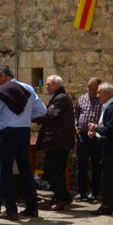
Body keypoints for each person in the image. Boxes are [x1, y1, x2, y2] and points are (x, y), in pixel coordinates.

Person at [0, 65, 46, 221]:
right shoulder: (28, 88)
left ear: (4, 76)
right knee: (25, 170)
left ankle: (11, 209)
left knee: (5, 171)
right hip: (24, 131)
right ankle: (32, 207)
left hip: (9, 133)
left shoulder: (2, 91)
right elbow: (42, 110)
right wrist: (26, 117)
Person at [36, 75, 75, 210]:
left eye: (49, 84)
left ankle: (63, 196)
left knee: (51, 170)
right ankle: (59, 196)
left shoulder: (61, 98)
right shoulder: (58, 98)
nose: (47, 86)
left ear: (58, 85)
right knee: (55, 171)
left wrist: (34, 117)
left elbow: (51, 115)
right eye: (46, 84)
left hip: (58, 143)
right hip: (58, 142)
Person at [89, 82, 113, 216]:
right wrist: (96, 133)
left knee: (108, 178)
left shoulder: (112, 108)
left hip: (111, 149)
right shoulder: (112, 107)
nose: (97, 95)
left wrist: (96, 128)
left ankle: (107, 206)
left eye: (99, 92)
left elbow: (111, 129)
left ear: (107, 93)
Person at [73, 77, 103, 202]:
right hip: (83, 136)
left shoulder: (102, 100)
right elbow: (76, 113)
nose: (91, 91)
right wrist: (76, 125)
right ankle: (81, 192)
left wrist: (97, 130)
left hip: (97, 138)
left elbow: (104, 118)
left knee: (97, 165)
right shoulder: (82, 99)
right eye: (89, 89)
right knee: (81, 165)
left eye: (93, 89)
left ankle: (93, 193)